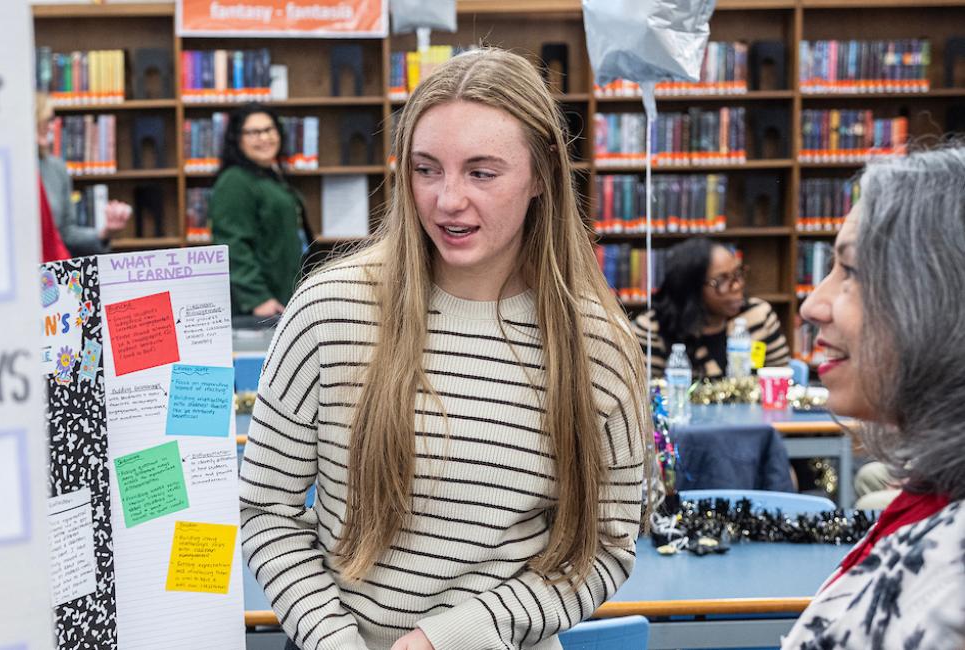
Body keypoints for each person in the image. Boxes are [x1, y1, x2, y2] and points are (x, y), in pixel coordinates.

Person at [239, 48, 649, 650]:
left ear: (541, 175)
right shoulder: (330, 310)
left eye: (482, 173)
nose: (447, 200)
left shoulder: (599, 346)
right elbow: (267, 512)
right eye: (426, 169)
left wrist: (454, 635)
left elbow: (605, 549)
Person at [782, 146, 965, 649]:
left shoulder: (953, 582)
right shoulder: (931, 504)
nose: (813, 304)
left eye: (851, 272)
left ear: (940, 297)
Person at [632, 237, 789, 379]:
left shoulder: (758, 314)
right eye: (722, 280)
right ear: (691, 289)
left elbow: (781, 379)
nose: (737, 285)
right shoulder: (652, 326)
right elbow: (644, 394)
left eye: (738, 274)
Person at [210, 103, 312, 317]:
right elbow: (233, 245)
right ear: (238, 139)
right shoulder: (235, 180)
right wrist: (258, 297)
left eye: (269, 129)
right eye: (254, 132)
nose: (265, 138)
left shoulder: (269, 175)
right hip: (262, 306)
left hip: (284, 294)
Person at [35, 93, 132, 257]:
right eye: (47, 120)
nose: (52, 127)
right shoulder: (8, 170)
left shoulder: (56, 169)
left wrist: (105, 232)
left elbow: (66, 233)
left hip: (48, 271)